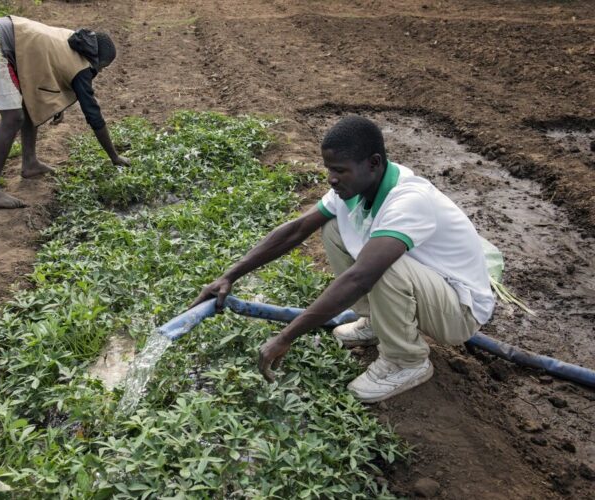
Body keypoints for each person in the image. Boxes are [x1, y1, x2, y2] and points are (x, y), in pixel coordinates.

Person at [190, 116, 494, 403]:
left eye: (340, 170)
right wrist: (230, 275)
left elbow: (360, 277)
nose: (332, 179)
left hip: (459, 311)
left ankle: (406, 361)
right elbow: (296, 230)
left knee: (379, 266)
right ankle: (379, 322)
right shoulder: (355, 187)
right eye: (329, 169)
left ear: (373, 163)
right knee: (334, 226)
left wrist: (287, 335)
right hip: (429, 288)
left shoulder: (409, 201)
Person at [0, 16, 130, 208]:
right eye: (102, 67)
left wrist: (55, 102)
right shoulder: (83, 67)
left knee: (30, 106)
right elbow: (93, 114)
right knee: (13, 118)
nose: (98, 72)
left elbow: (46, 67)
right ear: (96, 60)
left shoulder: (75, 41)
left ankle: (30, 163)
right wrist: (114, 157)